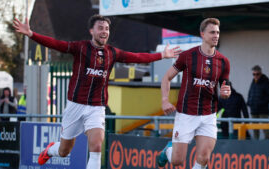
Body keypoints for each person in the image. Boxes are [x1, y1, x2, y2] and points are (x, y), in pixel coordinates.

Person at [13, 14, 181, 169]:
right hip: (75, 106)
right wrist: (31, 34)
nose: (104, 31)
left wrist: (162, 55)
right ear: (91, 31)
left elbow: (136, 57)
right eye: (100, 28)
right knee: (64, 151)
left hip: (96, 107)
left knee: (96, 146)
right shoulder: (80, 48)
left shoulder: (112, 53)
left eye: (106, 29)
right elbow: (57, 44)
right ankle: (50, 150)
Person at [156, 18, 231, 169]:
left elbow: (225, 90)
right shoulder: (188, 56)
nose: (216, 35)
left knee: (204, 158)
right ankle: (167, 151)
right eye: (212, 32)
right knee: (178, 161)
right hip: (186, 114)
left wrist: (226, 93)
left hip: (209, 115)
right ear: (202, 34)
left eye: (217, 32)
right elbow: (166, 78)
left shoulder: (223, 62)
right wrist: (165, 100)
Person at [247, 65, 269, 139]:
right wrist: (249, 102)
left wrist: (261, 103)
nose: (255, 76)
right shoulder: (253, 82)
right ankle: (256, 144)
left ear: (261, 73)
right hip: (254, 109)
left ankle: (268, 143)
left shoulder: (266, 83)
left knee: (265, 128)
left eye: (257, 74)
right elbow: (250, 93)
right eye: (254, 74)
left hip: (263, 110)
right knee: (255, 128)